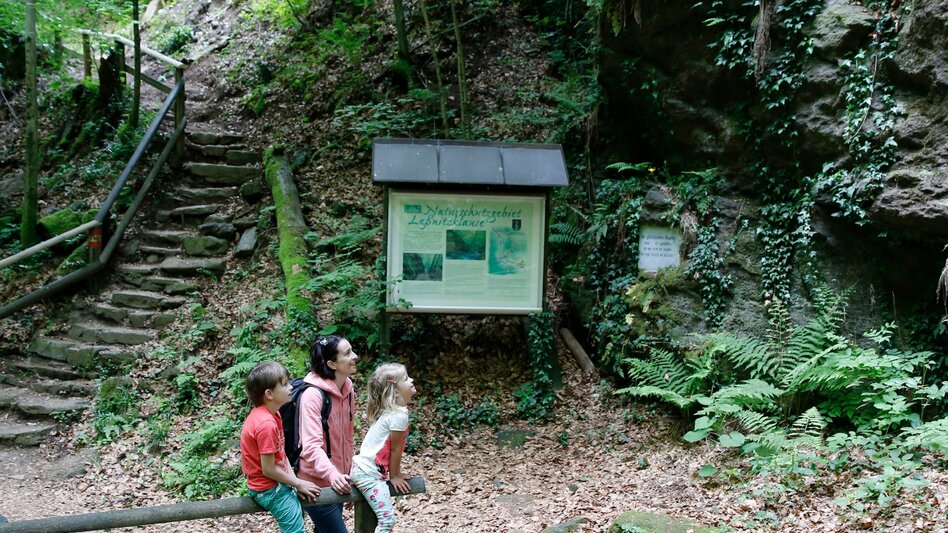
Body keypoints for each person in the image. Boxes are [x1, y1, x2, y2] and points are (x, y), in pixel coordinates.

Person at [240, 361, 321, 533]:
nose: (291, 387)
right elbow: (268, 469)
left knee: (298, 517)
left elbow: (281, 455)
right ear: (269, 394)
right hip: (268, 489)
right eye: (285, 384)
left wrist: (296, 483)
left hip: (277, 483)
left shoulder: (273, 414)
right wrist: (298, 483)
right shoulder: (265, 424)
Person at [298, 336, 358, 533]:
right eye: (347, 354)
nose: (355, 356)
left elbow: (347, 437)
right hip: (314, 483)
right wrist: (334, 476)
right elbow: (311, 447)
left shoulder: (348, 388)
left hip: (337, 479)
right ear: (332, 364)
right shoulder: (312, 396)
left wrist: (347, 475)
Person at [350, 363, 417, 533]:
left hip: (363, 469)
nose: (411, 380)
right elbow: (395, 449)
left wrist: (396, 473)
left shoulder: (392, 412)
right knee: (387, 521)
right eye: (406, 378)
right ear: (396, 391)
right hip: (368, 474)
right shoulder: (398, 416)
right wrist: (394, 476)